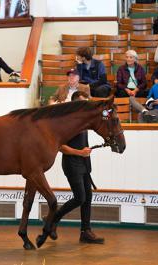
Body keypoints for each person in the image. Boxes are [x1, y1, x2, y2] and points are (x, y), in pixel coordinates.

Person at [49, 90, 104, 244]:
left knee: (87, 198)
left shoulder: (84, 121)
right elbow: (60, 146)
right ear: (74, 103)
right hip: (72, 164)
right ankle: (53, 218)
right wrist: (80, 152)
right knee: (80, 197)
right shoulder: (65, 122)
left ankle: (85, 232)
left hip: (84, 162)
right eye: (83, 102)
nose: (86, 105)